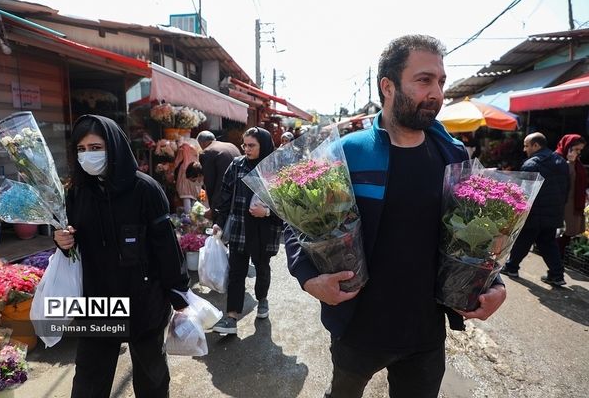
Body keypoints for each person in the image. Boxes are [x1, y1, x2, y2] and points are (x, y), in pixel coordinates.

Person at [284, 35, 507, 398]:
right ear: (387, 86)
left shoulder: (452, 155)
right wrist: (309, 279)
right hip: (358, 326)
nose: (436, 92)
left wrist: (494, 285)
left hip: (425, 332)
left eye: (440, 81)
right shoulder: (347, 153)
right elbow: (296, 225)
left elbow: (482, 237)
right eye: (424, 80)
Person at [53, 115, 189, 398]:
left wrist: (178, 292)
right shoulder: (77, 192)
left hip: (144, 300)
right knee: (89, 381)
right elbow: (70, 237)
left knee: (151, 378)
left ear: (113, 146)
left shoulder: (145, 189)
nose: (87, 155)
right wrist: (63, 240)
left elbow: (166, 246)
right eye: (81, 149)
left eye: (95, 147)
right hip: (98, 301)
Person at [211, 127, 283, 335]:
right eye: (245, 145)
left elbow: (289, 204)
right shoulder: (237, 165)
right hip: (240, 227)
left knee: (262, 267)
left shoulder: (275, 168)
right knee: (236, 272)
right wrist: (219, 221)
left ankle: (262, 299)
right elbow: (225, 195)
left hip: (265, 230)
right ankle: (231, 316)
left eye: (252, 145)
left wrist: (268, 212)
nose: (246, 149)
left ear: (264, 145)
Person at [501, 132, 570, 286]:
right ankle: (557, 275)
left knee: (523, 240)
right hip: (554, 212)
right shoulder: (561, 162)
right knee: (548, 242)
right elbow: (567, 188)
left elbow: (523, 193)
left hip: (534, 213)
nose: (524, 149)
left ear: (536, 145)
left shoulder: (531, 164)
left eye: (526, 145)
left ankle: (511, 267)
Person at [196, 130, 241, 222]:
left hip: (223, 198)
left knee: (220, 231)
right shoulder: (231, 145)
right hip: (239, 193)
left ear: (202, 143)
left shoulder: (207, 152)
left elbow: (210, 183)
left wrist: (213, 209)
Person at [555, 134, 588, 256]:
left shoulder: (576, 163)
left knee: (568, 233)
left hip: (574, 204)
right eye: (576, 149)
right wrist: (569, 162)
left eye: (580, 150)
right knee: (562, 233)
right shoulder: (558, 159)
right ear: (568, 147)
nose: (579, 153)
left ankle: (559, 258)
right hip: (563, 204)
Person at [173, 138, 201, 213]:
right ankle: (195, 216)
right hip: (195, 171)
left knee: (186, 195)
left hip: (185, 173)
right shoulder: (196, 148)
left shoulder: (182, 148)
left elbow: (177, 161)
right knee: (194, 196)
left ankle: (188, 217)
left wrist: (174, 169)